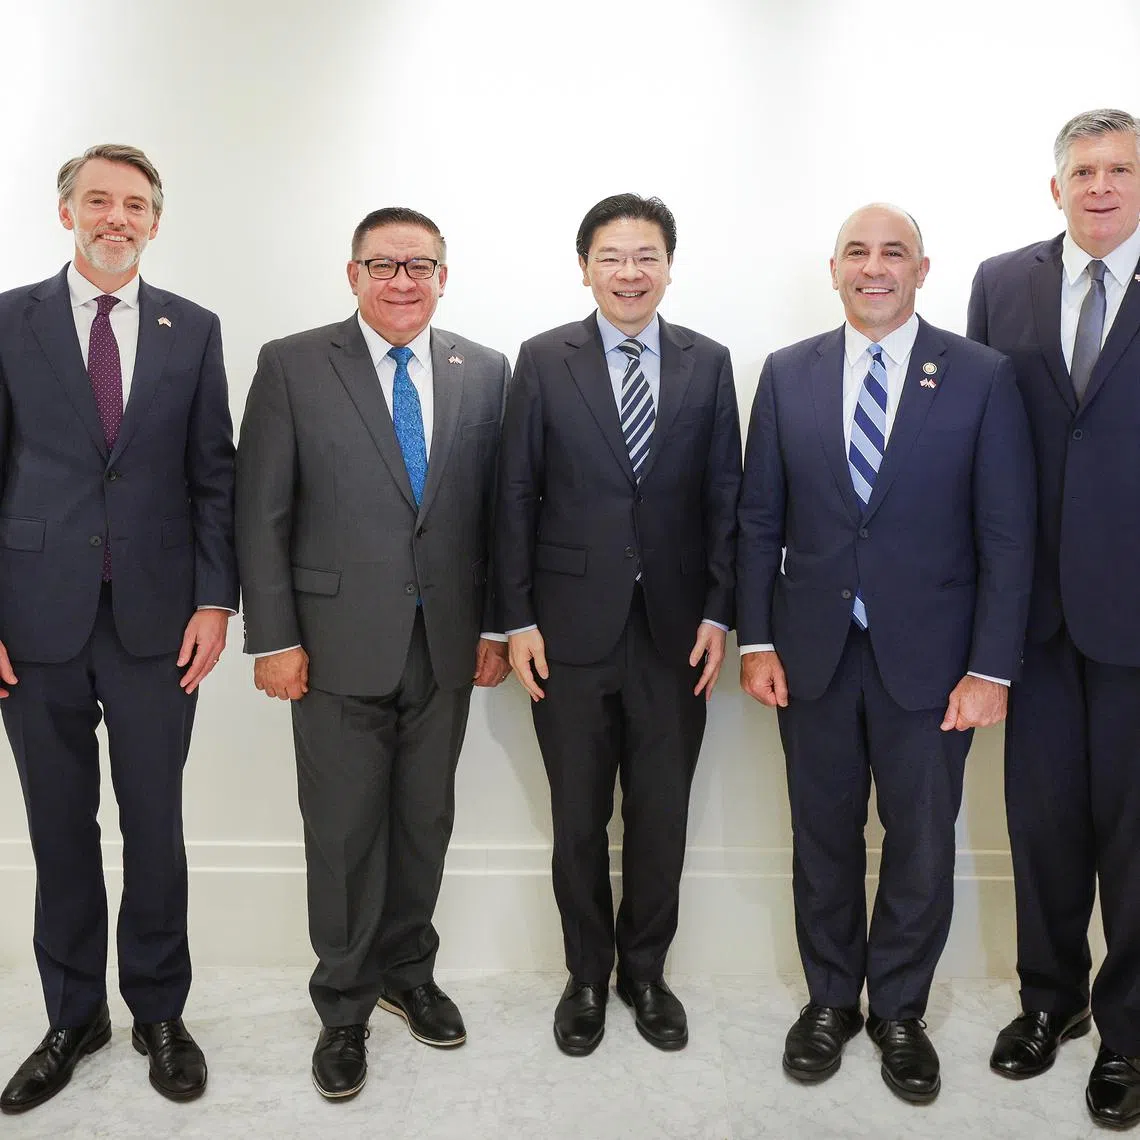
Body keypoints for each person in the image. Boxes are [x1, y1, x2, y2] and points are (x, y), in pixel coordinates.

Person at [738, 204, 1035, 1104]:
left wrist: (991, 668)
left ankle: (899, 1009)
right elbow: (759, 519)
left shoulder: (982, 376)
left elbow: (1007, 533)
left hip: (936, 665)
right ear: (834, 269)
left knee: (918, 842)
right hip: (813, 654)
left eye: (893, 252)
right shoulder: (788, 374)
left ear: (923, 268)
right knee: (820, 836)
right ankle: (831, 999)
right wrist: (756, 638)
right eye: (858, 253)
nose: (875, 267)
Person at [236, 206, 510, 1100]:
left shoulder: (485, 371)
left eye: (420, 265)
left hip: (447, 645)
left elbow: (499, 517)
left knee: (424, 821)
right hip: (329, 646)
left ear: (443, 274)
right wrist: (273, 638)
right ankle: (344, 1007)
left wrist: (496, 629)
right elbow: (262, 512)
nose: (403, 281)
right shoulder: (292, 364)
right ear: (351, 274)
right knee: (346, 832)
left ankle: (406, 973)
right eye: (384, 265)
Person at [0, 144, 237, 1113]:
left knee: (156, 827)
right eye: (99, 200)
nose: (118, 217)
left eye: (136, 204)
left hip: (156, 625)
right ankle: (72, 1015)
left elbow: (213, 475)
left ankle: (159, 1011)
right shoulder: (8, 320)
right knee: (60, 831)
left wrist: (216, 603)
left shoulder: (193, 329)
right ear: (66, 213)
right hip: (33, 622)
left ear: (154, 221)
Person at [496, 193, 742, 1056]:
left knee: (661, 814)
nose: (630, 273)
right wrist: (516, 617)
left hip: (677, 633)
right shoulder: (543, 359)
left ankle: (646, 973)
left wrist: (721, 611)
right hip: (565, 631)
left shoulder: (708, 363)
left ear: (669, 266)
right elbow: (514, 497)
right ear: (585, 266)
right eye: (612, 257)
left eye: (646, 257)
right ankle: (587, 976)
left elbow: (725, 500)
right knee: (575, 819)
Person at [967, 108, 1140, 1130]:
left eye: (1121, 170)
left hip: (1135, 620)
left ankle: (1127, 1033)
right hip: (1027, 615)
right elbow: (978, 443)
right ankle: (1051, 1002)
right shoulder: (1001, 282)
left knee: (1135, 837)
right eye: (1085, 170)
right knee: (1039, 828)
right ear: (1056, 187)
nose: (1103, 186)